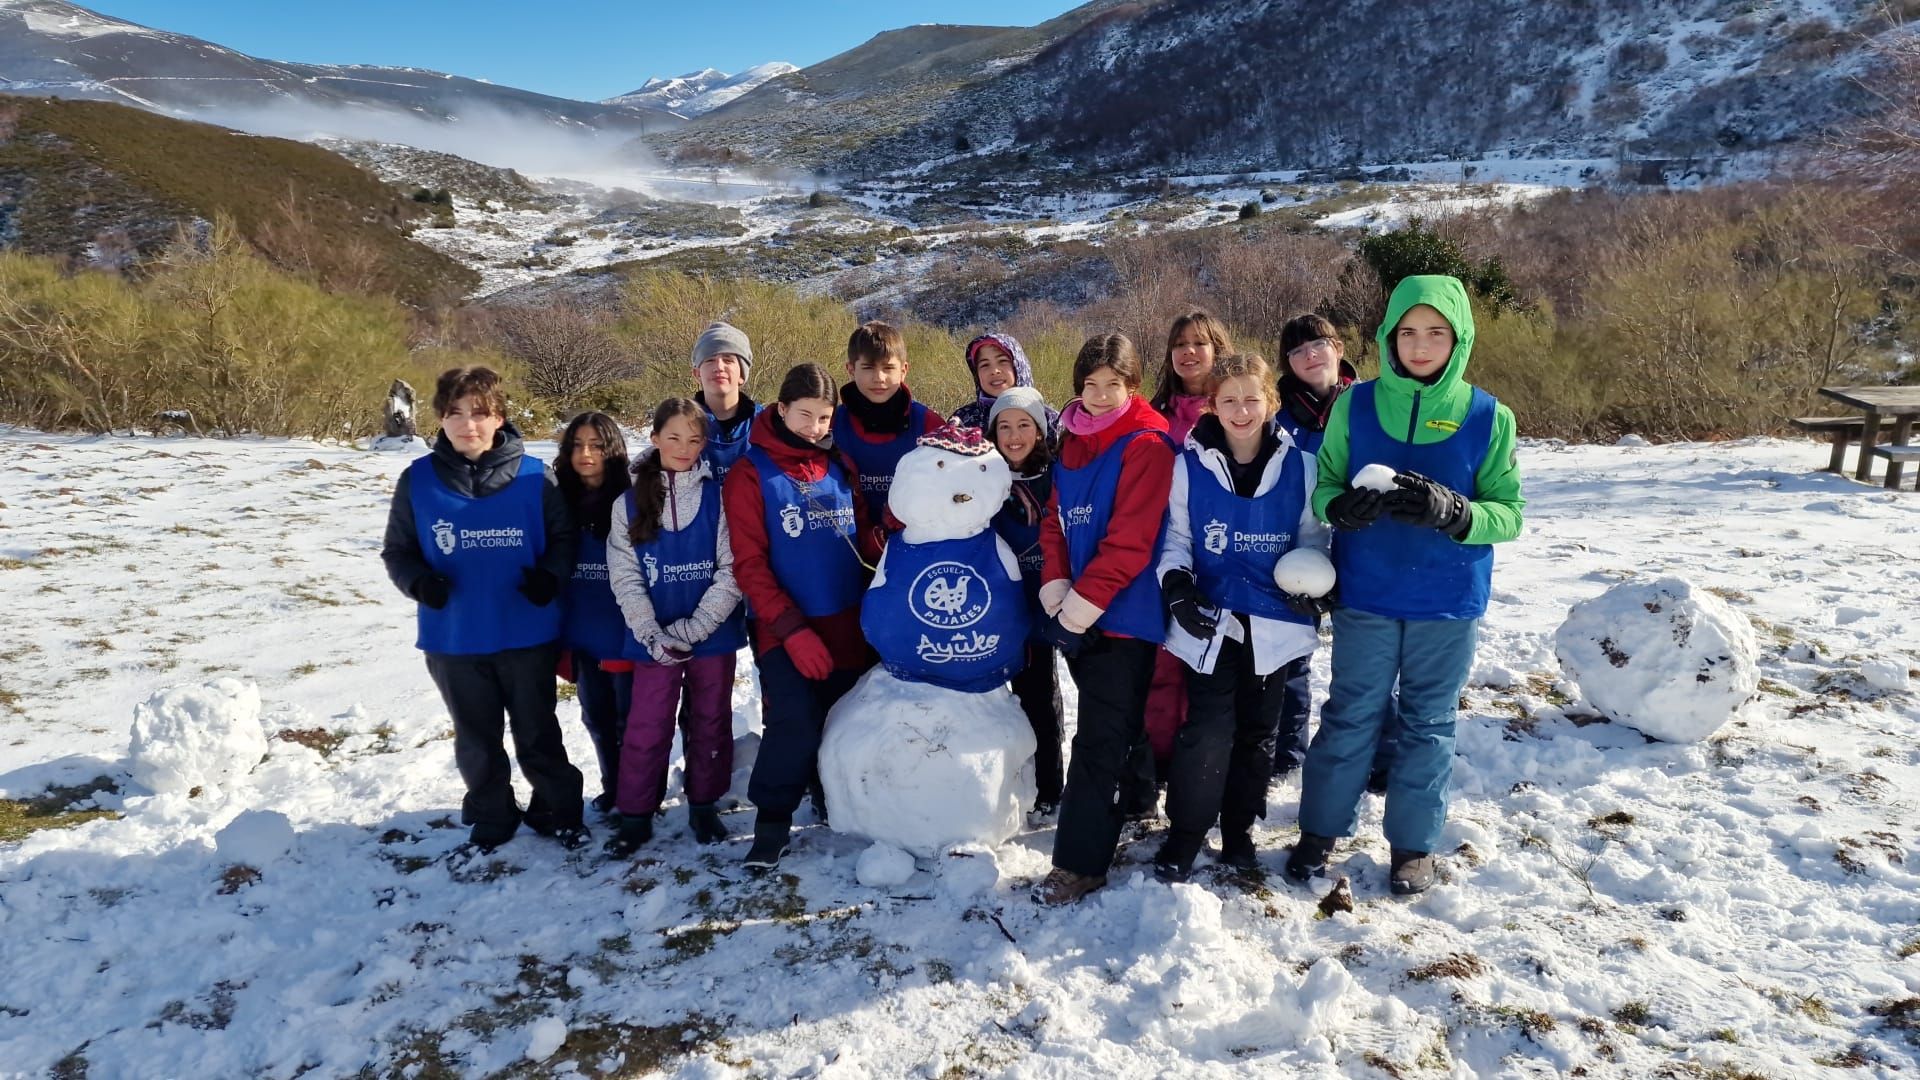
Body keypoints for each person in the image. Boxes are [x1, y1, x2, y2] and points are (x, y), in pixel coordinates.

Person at [1288, 275, 1526, 895]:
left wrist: (1459, 513)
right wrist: (1340, 509)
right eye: (1408, 332)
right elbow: (1325, 483)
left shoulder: (1487, 416)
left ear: (1459, 340)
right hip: (1367, 592)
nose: (1420, 346)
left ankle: (1413, 845)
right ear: (1390, 337)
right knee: (1350, 715)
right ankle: (1319, 829)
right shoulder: (1355, 405)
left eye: (1436, 333)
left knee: (1428, 721)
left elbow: (1510, 512)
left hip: (1447, 601)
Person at [379, 365, 587, 852]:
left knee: (537, 732)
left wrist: (550, 577)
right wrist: (418, 583)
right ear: (440, 419)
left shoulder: (537, 478)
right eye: (454, 413)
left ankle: (558, 806)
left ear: (499, 418)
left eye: (479, 413)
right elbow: (397, 551)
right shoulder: (419, 480)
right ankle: (492, 810)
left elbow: (564, 538)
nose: (466, 424)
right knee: (476, 736)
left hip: (526, 632)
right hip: (454, 636)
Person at [1151, 352, 1328, 882]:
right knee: (1206, 728)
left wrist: (1315, 586)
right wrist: (1177, 586)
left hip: (1274, 622)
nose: (1241, 409)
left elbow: (1312, 541)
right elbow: (1176, 537)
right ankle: (1186, 833)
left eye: (1252, 398)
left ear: (1270, 402)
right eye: (1229, 399)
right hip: (1211, 619)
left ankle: (1239, 832)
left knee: (1258, 731)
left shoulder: (1302, 467)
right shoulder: (1189, 464)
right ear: (1213, 406)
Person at [1030, 334, 1175, 906]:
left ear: (1132, 386)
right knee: (1116, 719)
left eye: (1112, 385)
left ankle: (1079, 861)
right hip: (1077, 606)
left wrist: (1081, 603)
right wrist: (1055, 584)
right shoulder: (1071, 438)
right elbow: (1053, 515)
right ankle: (1138, 799)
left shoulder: (1148, 443)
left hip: (1124, 613)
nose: (1098, 396)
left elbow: (1132, 539)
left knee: (1095, 737)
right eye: (1089, 385)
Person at [725, 363, 883, 871]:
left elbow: (864, 543)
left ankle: (834, 799)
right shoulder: (751, 473)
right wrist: (791, 631)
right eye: (805, 415)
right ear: (781, 408)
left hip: (846, 620)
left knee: (844, 719)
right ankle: (771, 823)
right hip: (784, 625)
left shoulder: (838, 465)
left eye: (824, 417)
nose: (815, 427)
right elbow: (749, 565)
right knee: (793, 721)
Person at [604, 398, 746, 855]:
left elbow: (733, 568)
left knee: (710, 720)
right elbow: (624, 574)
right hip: (652, 640)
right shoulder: (627, 503)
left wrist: (695, 627)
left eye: (694, 439)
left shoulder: (717, 498)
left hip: (711, 636)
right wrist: (652, 633)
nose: (684, 448)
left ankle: (704, 805)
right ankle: (636, 814)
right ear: (655, 439)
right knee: (648, 724)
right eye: (674, 438)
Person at [1126, 309, 1238, 819]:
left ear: (1218, 349)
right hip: (1159, 556)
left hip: (1221, 555)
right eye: (1179, 345)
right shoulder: (1152, 413)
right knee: (1162, 666)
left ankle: (1206, 770)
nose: (1189, 352)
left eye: (1199, 343)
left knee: (1210, 668)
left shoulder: (1234, 408)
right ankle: (1162, 764)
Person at [987, 386, 1063, 820]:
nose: (1014, 436)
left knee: (1047, 697)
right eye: (1005, 426)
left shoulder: (1059, 473)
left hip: (1059, 596)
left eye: (1024, 425)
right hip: (1007, 606)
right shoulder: (984, 478)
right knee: (1023, 695)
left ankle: (1054, 784)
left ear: (1040, 429)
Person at [554, 412, 634, 815]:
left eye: (596, 445)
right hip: (580, 629)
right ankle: (611, 788)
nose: (586, 454)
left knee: (627, 721)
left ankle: (636, 793)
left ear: (612, 449)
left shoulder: (631, 499)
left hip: (621, 629)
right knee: (596, 718)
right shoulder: (557, 499)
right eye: (577, 445)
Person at [831, 320, 943, 522]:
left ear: (904, 370)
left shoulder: (929, 425)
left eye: (888, 368)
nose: (879, 377)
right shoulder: (830, 424)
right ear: (850, 369)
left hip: (915, 542)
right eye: (868, 367)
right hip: (849, 545)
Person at [951, 332, 1058, 437]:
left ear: (1018, 366)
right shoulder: (962, 421)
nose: (994, 371)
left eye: (1002, 361)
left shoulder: (1051, 421)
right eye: (985, 365)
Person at [690, 320, 760, 479]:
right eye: (709, 360)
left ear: (742, 374)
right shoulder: (680, 423)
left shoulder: (766, 423)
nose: (719, 367)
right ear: (697, 374)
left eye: (728, 360)